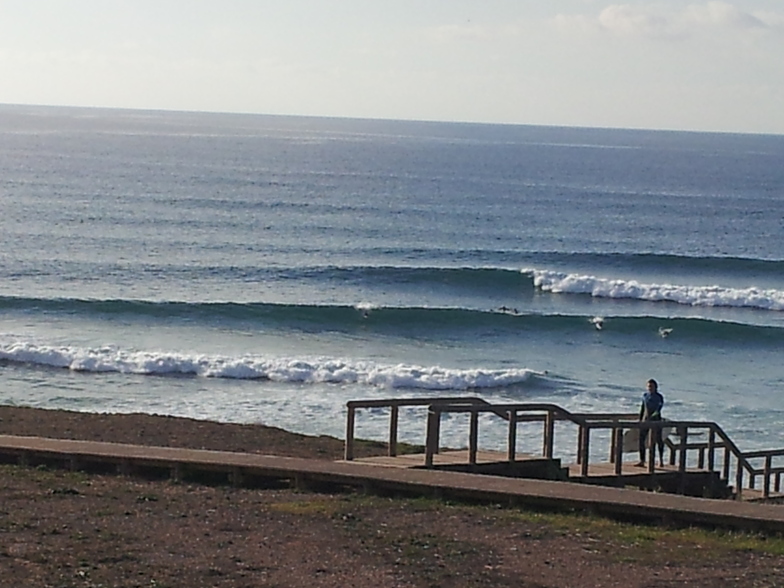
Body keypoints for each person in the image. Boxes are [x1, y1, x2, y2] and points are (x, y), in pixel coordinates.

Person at [636, 378, 664, 467]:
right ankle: (642, 460)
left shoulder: (659, 397)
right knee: (641, 440)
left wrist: (652, 417)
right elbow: (643, 408)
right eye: (648, 386)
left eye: (651, 386)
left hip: (656, 421)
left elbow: (658, 409)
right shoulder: (645, 396)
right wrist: (640, 419)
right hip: (645, 420)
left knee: (658, 440)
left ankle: (661, 460)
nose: (650, 388)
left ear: (656, 387)